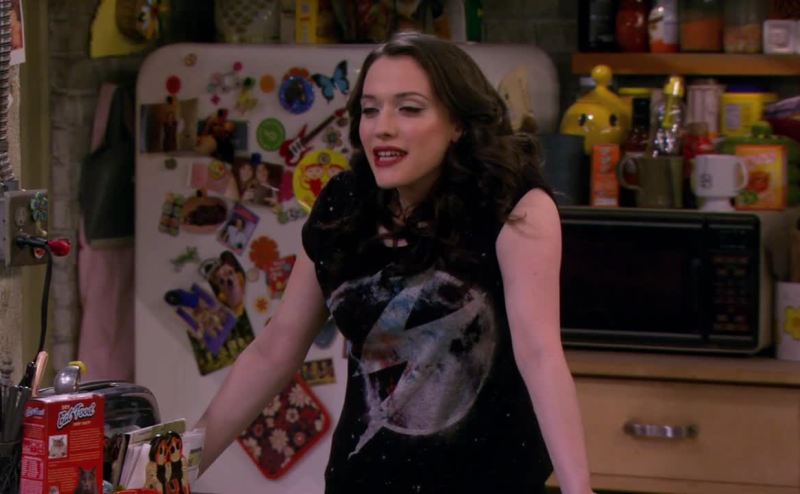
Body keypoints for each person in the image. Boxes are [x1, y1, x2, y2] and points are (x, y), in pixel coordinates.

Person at [196, 31, 594, 493]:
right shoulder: (343, 206)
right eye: (370, 110)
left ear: (457, 123)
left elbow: (540, 356)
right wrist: (176, 466)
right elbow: (275, 350)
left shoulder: (513, 208)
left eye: (409, 108)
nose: (381, 127)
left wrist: (578, 488)